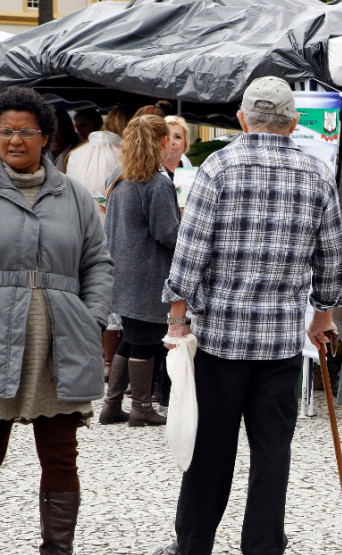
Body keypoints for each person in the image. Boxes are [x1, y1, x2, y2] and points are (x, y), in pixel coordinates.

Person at [154, 76, 342, 555]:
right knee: (272, 451)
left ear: (242, 119)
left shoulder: (217, 167)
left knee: (210, 449)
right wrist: (322, 316)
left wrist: (177, 319)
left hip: (220, 339)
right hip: (281, 343)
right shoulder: (316, 173)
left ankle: (193, 544)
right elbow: (332, 257)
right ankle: (263, 545)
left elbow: (190, 252)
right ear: (293, 123)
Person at [0, 87, 114, 554]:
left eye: (26, 131)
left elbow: (98, 263)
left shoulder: (75, 195)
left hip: (60, 338)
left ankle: (57, 550)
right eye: (6, 130)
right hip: (0, 338)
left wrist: (92, 318)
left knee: (61, 457)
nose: (15, 139)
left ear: (46, 137)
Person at [100, 114, 178, 427]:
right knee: (145, 340)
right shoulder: (157, 183)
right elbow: (168, 233)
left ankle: (111, 405)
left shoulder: (119, 175)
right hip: (148, 274)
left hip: (120, 269)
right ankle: (141, 407)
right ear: (162, 142)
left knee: (131, 337)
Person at [66, 105, 131, 219]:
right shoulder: (126, 154)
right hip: (111, 223)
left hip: (80, 222)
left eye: (84, 125)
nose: (79, 131)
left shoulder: (75, 154)